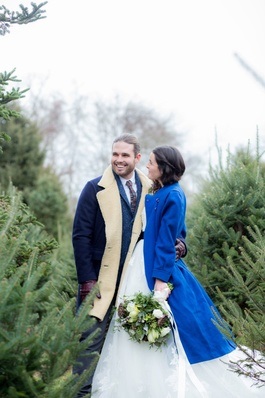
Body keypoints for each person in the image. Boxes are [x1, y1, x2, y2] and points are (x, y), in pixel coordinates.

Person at [91, 145, 263, 397]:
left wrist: (160, 280)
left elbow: (167, 239)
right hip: (141, 261)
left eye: (151, 162)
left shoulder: (174, 195)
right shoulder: (158, 191)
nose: (147, 166)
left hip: (154, 268)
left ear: (163, 168)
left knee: (171, 324)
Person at [72, 135, 187, 397]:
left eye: (125, 155)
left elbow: (169, 227)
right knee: (89, 341)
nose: (118, 160)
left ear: (136, 158)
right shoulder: (94, 189)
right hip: (101, 280)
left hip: (135, 278)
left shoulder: (152, 187)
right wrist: (87, 280)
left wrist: (181, 245)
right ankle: (81, 393)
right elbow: (80, 236)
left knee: (128, 341)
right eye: (115, 154)